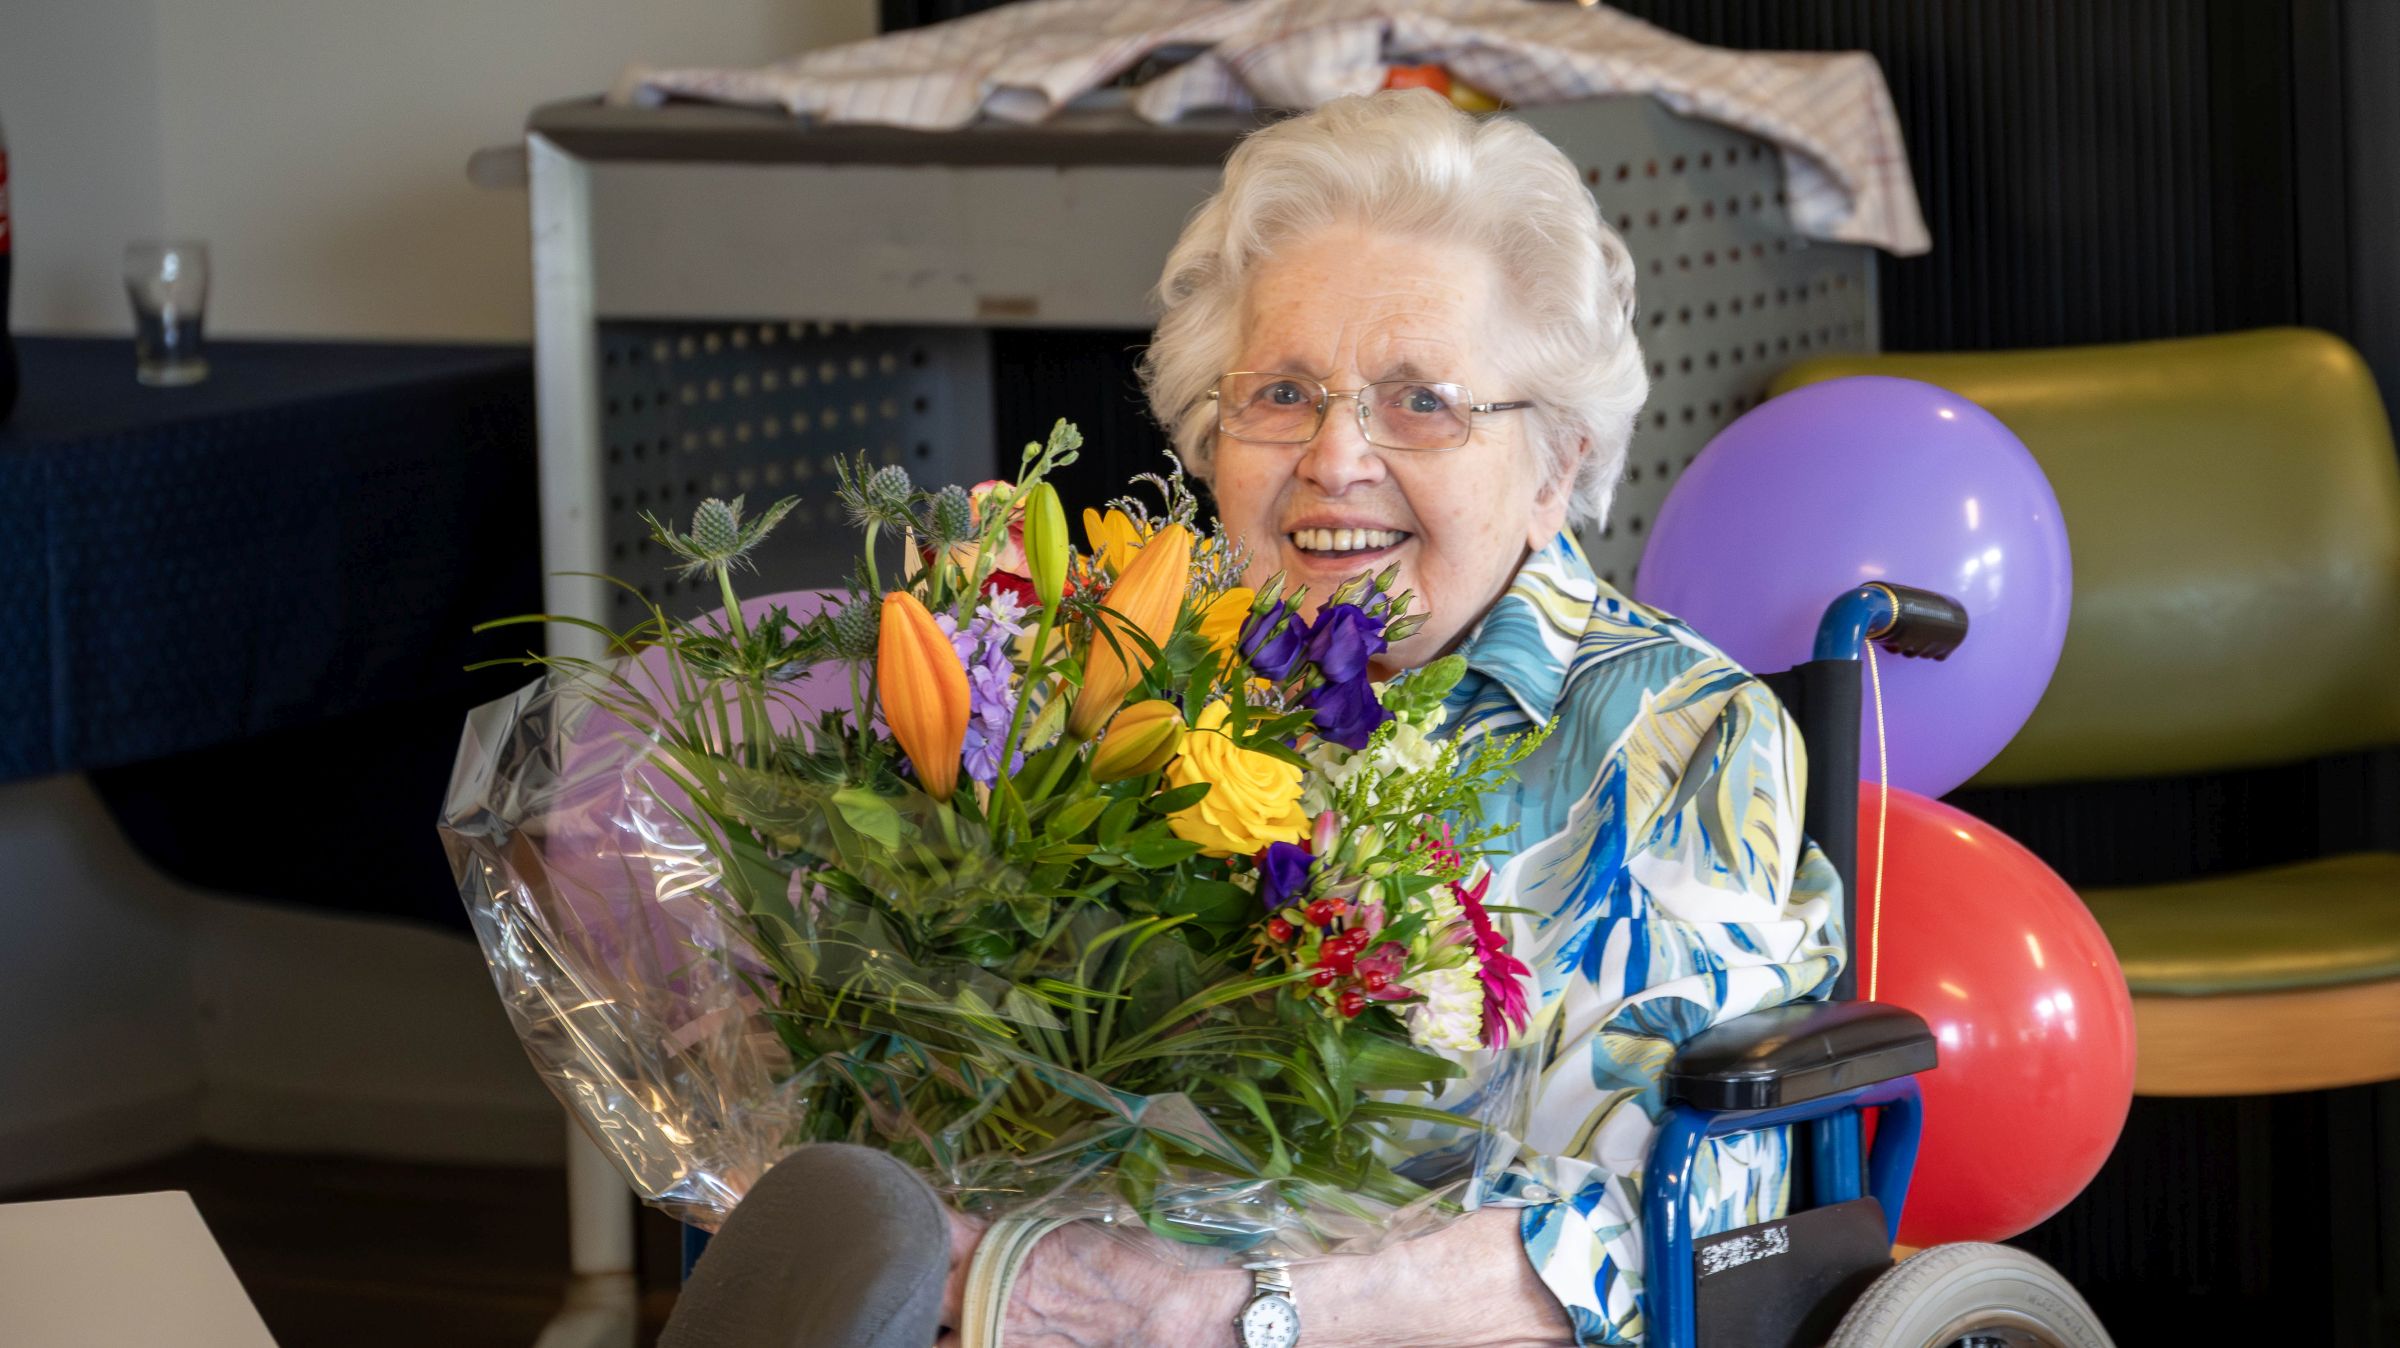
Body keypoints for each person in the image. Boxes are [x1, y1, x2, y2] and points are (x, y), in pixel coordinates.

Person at [933, 89, 1844, 1348]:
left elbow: (1652, 1233)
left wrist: (1217, 1315)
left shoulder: (1676, 738)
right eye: (1283, 394)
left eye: (1424, 401)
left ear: (1557, 467)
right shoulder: (1117, 687)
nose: (1334, 458)